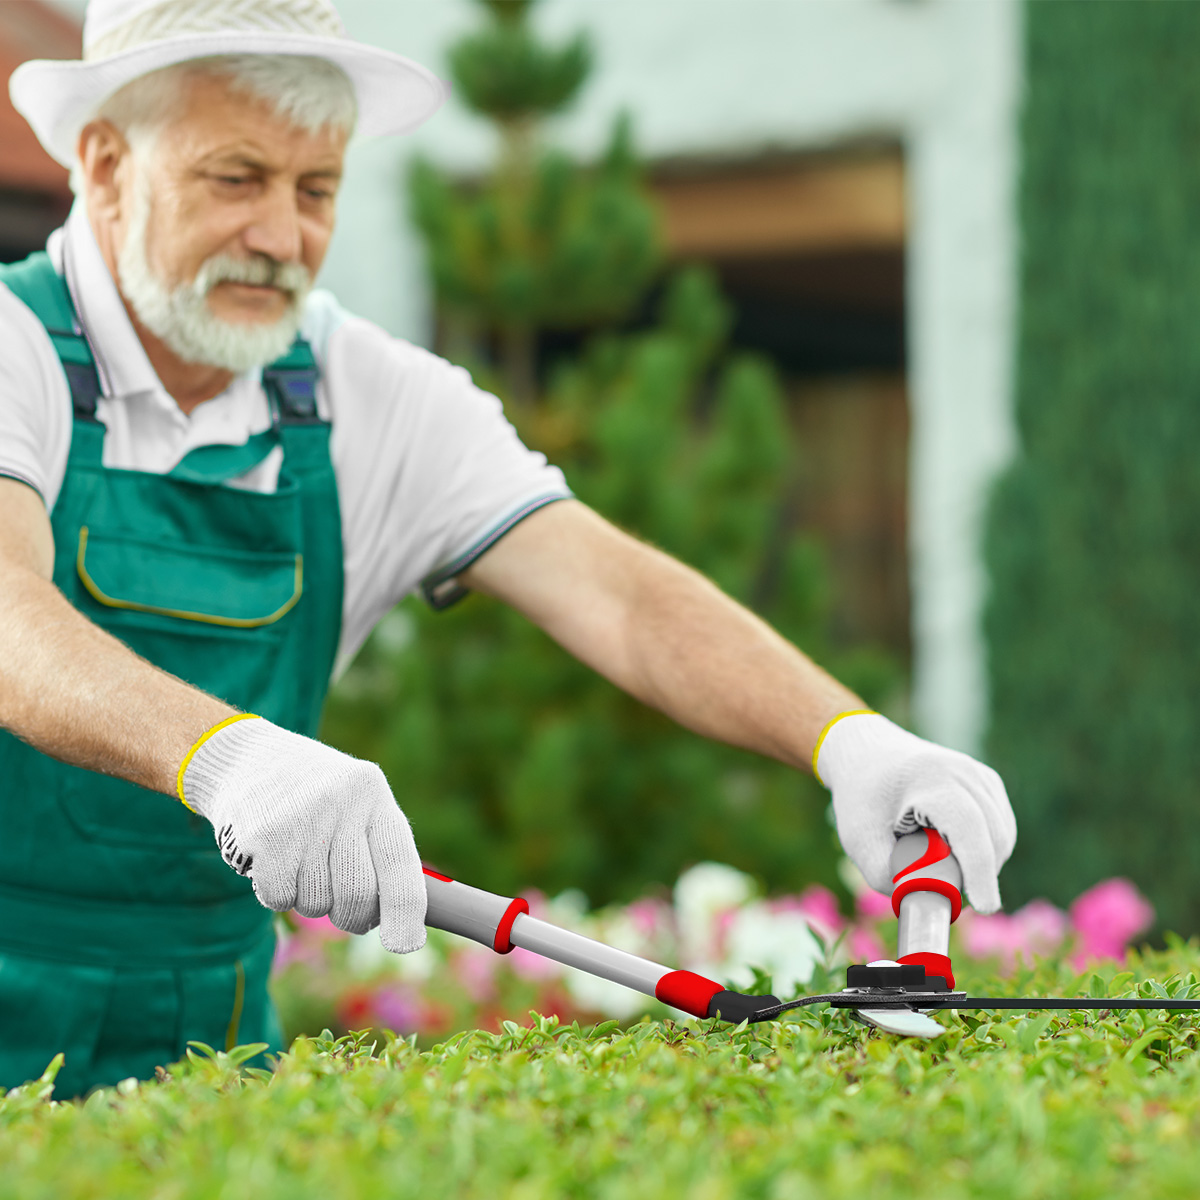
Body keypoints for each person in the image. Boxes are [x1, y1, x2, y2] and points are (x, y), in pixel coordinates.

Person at [0, 0, 1016, 1096]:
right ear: (104, 165)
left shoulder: (368, 397)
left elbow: (615, 594)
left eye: (317, 190)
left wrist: (850, 740)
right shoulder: (16, 349)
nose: (282, 238)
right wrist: (226, 755)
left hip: (212, 1017)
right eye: (236, 180)